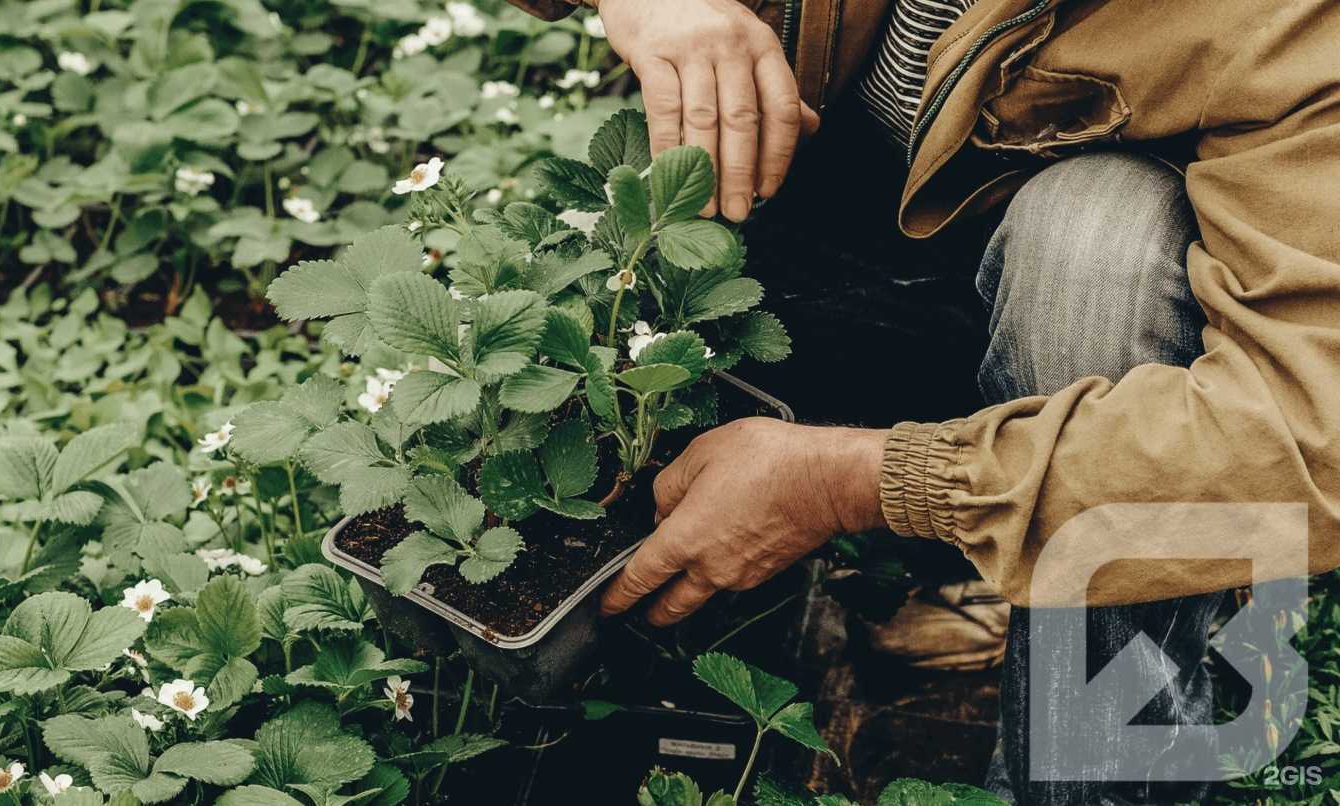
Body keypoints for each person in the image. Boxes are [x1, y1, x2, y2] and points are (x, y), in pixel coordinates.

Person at [508, 0, 1340, 802]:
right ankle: (859, 593)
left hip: (1099, 343)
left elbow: (1306, 442)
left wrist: (870, 480)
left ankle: (1089, 776)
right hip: (833, 217)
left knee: (1096, 247)